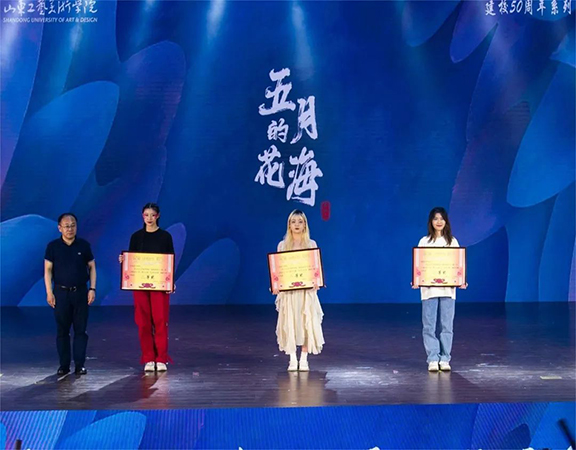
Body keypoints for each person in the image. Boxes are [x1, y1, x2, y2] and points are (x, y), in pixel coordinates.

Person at [121, 203, 174, 373]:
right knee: (143, 322)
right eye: (146, 215)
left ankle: (161, 358)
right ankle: (149, 358)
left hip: (159, 285)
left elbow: (170, 260)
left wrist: (171, 281)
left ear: (158, 216)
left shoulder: (165, 237)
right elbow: (132, 260)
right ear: (142, 216)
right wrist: (124, 261)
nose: (149, 218)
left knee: (160, 321)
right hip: (140, 284)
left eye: (152, 215)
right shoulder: (137, 237)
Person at [413, 207, 467, 372]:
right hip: (429, 290)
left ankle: (445, 358)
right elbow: (419, 265)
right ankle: (432, 358)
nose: (439, 222)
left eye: (441, 218)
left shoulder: (452, 242)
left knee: (446, 326)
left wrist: (461, 281)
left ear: (446, 221)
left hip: (448, 290)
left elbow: (458, 265)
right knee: (429, 326)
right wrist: (417, 280)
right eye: (435, 218)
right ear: (431, 221)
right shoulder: (424, 241)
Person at [44, 213, 96, 376]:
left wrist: (92, 288)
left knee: (81, 330)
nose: (70, 229)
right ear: (59, 228)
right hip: (61, 293)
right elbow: (47, 271)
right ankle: (64, 365)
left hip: (80, 292)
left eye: (73, 225)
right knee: (62, 331)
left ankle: (79, 365)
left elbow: (92, 267)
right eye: (66, 226)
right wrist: (49, 292)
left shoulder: (83, 245)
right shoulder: (53, 247)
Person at [273, 210, 325, 372]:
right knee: (290, 322)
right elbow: (278, 270)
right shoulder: (282, 245)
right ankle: (292, 359)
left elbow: (315, 269)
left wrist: (317, 281)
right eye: (293, 221)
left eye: (300, 221)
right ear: (289, 225)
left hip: (306, 292)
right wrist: (276, 285)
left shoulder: (311, 244)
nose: (296, 225)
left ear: (305, 225)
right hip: (289, 293)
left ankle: (303, 359)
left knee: (306, 323)